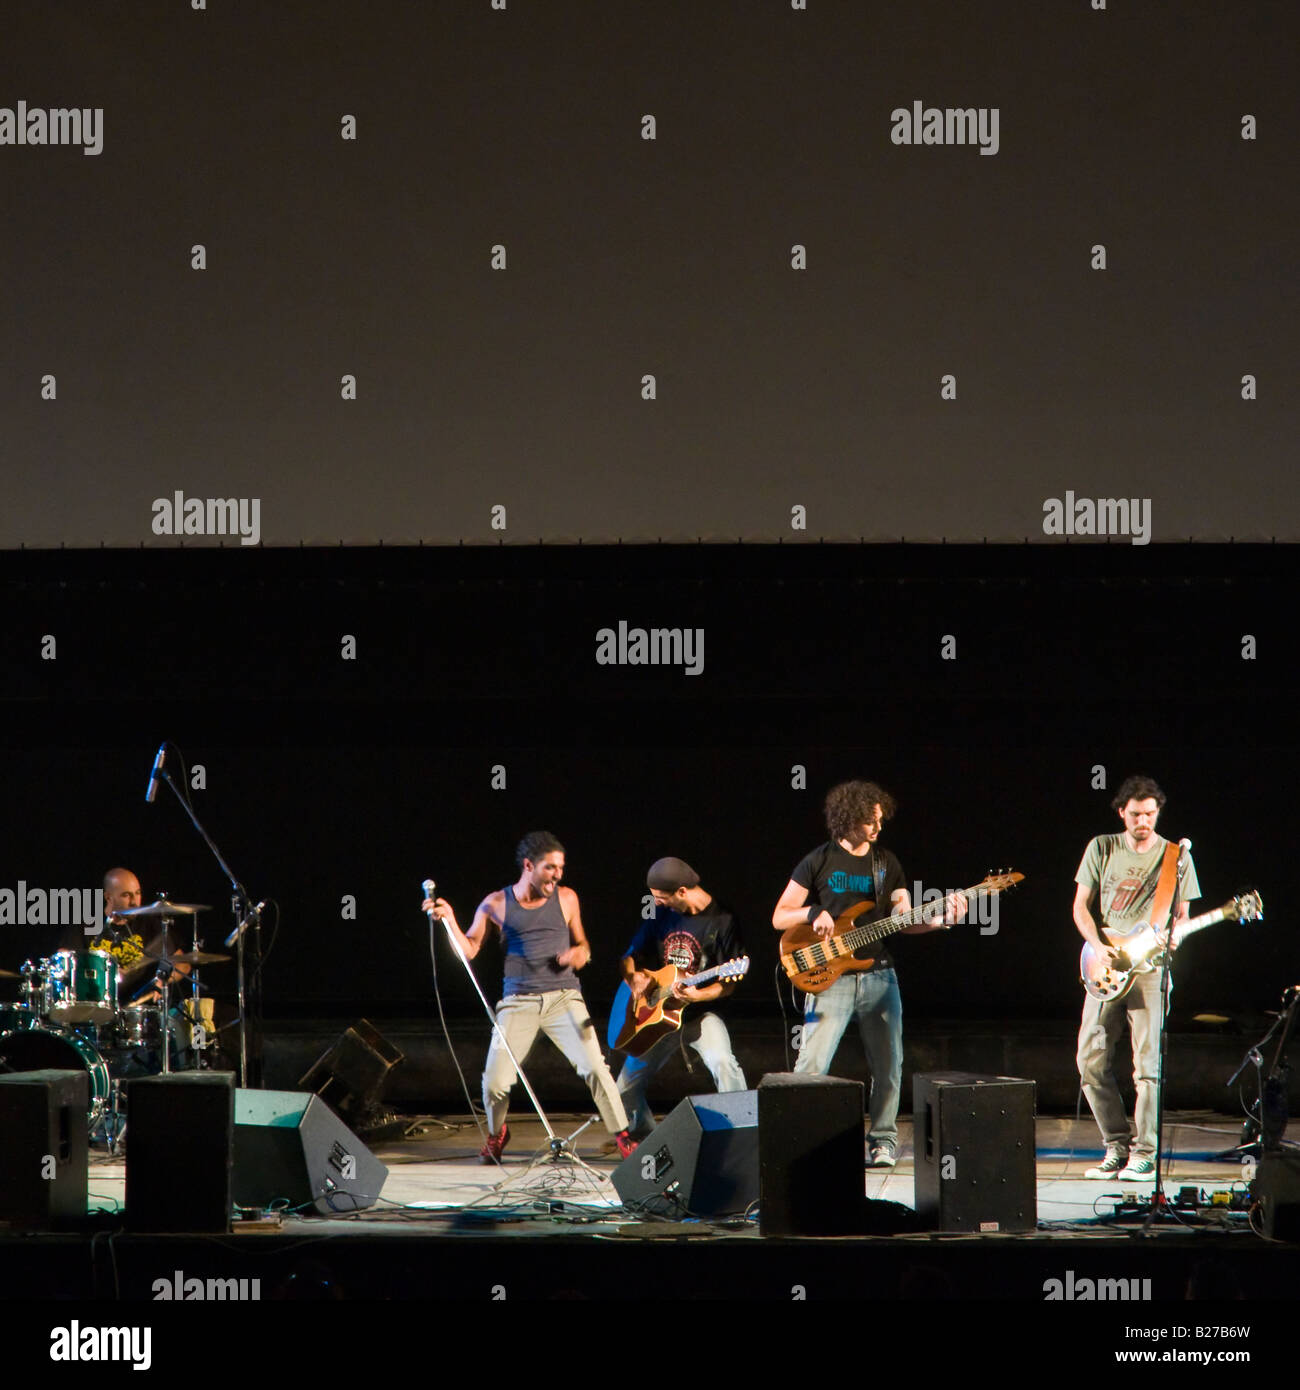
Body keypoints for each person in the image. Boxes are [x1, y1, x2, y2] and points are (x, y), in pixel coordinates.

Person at [771, 781, 964, 1169]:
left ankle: (883, 1141)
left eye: (880, 822)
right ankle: (798, 1138)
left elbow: (902, 920)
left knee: (889, 1065)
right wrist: (812, 913)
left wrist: (940, 921)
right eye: (869, 823)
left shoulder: (886, 863)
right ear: (847, 820)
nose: (878, 830)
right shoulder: (818, 860)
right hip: (830, 978)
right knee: (811, 1065)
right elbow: (780, 916)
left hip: (879, 977)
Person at [426, 831, 637, 1162]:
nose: (558, 875)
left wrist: (579, 955)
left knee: (596, 1067)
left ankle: (623, 1136)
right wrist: (450, 919)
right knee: (494, 1082)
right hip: (518, 1002)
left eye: (561, 867)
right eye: (550, 867)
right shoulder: (495, 903)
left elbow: (583, 945)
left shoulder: (567, 898)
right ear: (529, 866)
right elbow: (467, 951)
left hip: (564, 998)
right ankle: (498, 1134)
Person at [1074, 776, 1199, 1180]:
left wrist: (1176, 934)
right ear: (1121, 813)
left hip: (1149, 971)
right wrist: (1096, 943)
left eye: (1149, 814)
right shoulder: (1101, 846)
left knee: (1146, 1068)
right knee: (1090, 1062)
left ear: (1158, 813)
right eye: (1134, 814)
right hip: (1106, 965)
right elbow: (1080, 907)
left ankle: (1145, 1153)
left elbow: (1181, 913)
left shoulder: (1175, 855)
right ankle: (1116, 1145)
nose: (1142, 821)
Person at [614, 856, 747, 1139]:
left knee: (724, 1064)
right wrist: (634, 977)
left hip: (700, 1015)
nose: (657, 903)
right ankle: (649, 1138)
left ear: (682, 892)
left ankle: (743, 1133)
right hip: (658, 1017)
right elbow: (628, 957)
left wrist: (698, 995)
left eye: (661, 898)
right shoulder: (661, 915)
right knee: (622, 1090)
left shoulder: (723, 920)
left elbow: (729, 985)